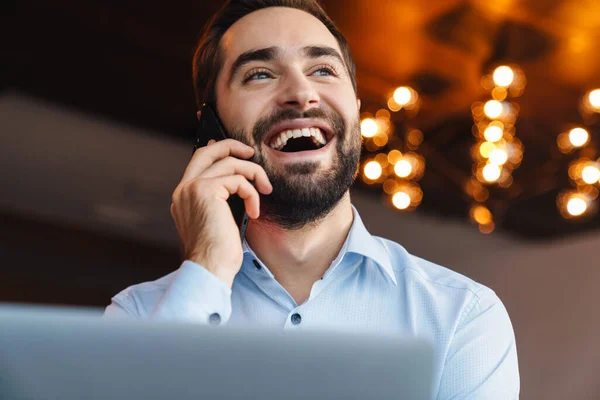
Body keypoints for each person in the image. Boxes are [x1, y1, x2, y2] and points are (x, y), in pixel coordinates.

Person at [105, 0, 520, 397]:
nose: (301, 93)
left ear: (356, 112)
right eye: (260, 75)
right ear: (211, 127)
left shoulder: (462, 315)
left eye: (322, 69)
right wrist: (207, 268)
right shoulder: (138, 316)